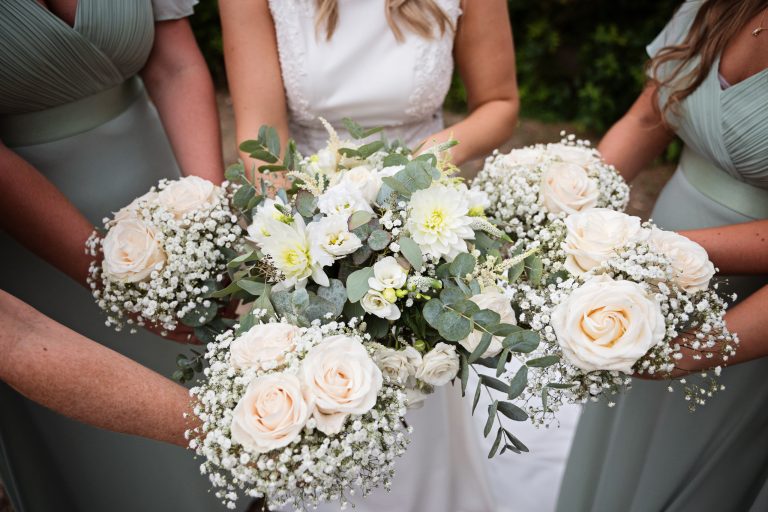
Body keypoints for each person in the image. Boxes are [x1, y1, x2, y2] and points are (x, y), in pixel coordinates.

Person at [221, 1, 579, 510]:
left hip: (424, 218)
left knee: (421, 371)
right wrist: (308, 229)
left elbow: (500, 103)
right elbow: (262, 138)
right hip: (312, 215)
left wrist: (413, 173)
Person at [0, 0, 231, 510]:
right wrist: (111, 280)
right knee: (104, 457)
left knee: (210, 369)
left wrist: (207, 217)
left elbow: (175, 64)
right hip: (30, 231)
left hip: (160, 178)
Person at [556, 1, 768, 511]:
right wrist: (570, 213)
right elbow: (649, 114)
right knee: (623, 450)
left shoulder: (651, 254)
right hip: (649, 278)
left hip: (747, 317)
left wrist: (657, 254)